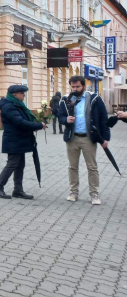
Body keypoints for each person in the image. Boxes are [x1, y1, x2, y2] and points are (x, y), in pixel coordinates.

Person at [57, 76, 110, 205]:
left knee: (92, 167)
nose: (75, 89)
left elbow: (103, 119)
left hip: (88, 137)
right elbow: (60, 115)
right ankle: (73, 192)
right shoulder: (66, 99)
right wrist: (65, 120)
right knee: (72, 167)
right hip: (72, 137)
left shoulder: (94, 99)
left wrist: (105, 138)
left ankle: (94, 194)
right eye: (73, 87)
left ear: (84, 86)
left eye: (77, 87)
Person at [0, 85, 45, 200]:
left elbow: (24, 121)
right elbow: (19, 122)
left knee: (20, 164)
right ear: (15, 94)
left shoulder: (17, 105)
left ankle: (18, 190)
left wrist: (34, 126)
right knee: (12, 164)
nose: (24, 95)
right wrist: (38, 125)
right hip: (13, 139)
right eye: (22, 93)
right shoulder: (9, 106)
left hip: (20, 139)